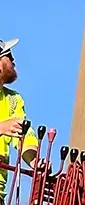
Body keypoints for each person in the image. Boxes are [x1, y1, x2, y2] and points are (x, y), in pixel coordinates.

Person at [0, 39, 37, 198]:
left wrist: (35, 161)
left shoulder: (13, 99)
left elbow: (24, 135)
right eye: (8, 55)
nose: (13, 60)